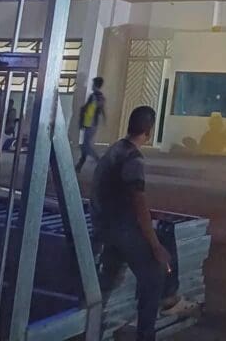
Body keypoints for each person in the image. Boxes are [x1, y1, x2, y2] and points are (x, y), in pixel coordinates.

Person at [93, 106, 172, 341]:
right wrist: (155, 245)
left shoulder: (115, 149)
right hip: (122, 228)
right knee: (154, 274)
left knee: (106, 282)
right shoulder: (133, 158)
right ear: (149, 130)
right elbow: (138, 201)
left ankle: (92, 327)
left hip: (104, 224)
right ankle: (146, 333)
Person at [76, 76, 106, 172]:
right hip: (94, 122)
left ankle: (99, 160)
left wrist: (81, 120)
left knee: (86, 145)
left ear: (95, 85)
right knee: (86, 144)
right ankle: (79, 165)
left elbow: (86, 109)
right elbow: (101, 109)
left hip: (89, 122)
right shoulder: (101, 97)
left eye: (93, 84)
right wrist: (104, 118)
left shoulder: (93, 96)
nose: (91, 86)